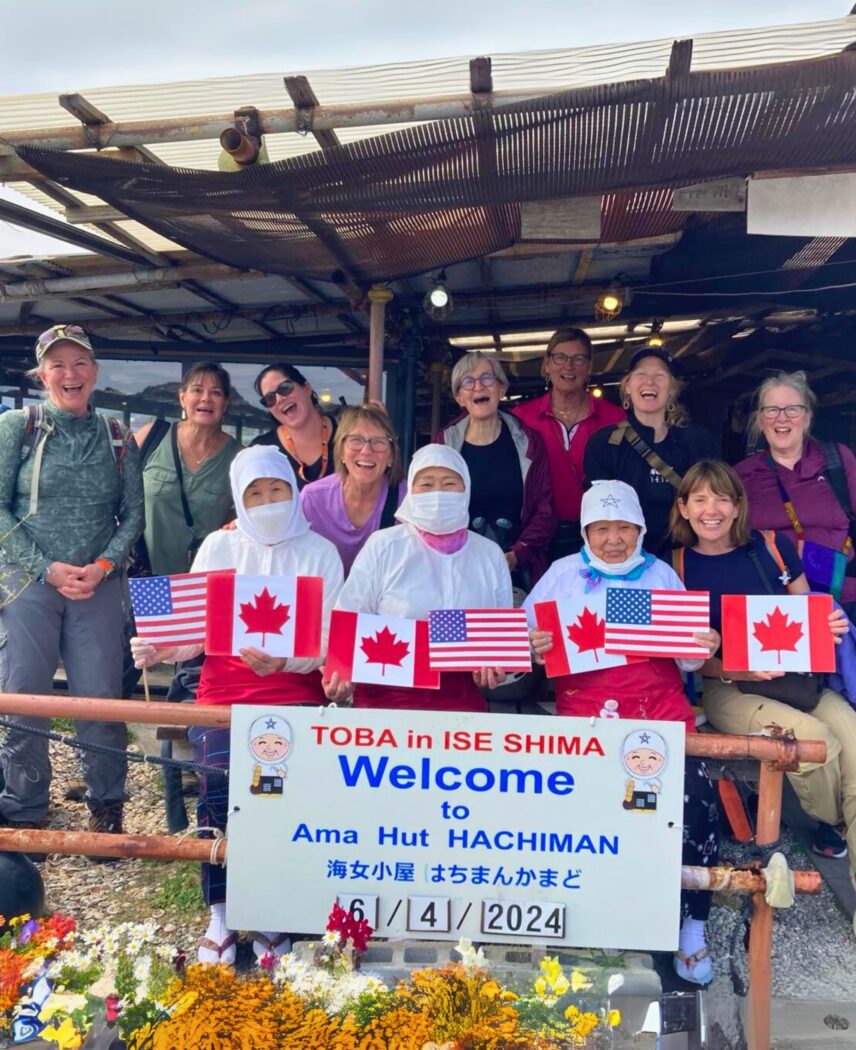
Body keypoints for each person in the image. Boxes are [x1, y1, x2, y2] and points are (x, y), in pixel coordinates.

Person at [131, 445, 344, 964]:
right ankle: (222, 911)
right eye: (255, 493)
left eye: (277, 490)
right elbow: (193, 634)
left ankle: (276, 911)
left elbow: (333, 641)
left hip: (297, 695)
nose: (267, 501)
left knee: (283, 800)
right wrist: (159, 648)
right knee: (221, 791)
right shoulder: (218, 548)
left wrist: (288, 664)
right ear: (238, 498)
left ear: (294, 491)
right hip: (222, 693)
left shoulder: (321, 552)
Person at [524, 480, 721, 986]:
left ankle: (690, 925)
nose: (614, 539)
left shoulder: (659, 576)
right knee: (586, 813)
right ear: (586, 531)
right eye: (602, 529)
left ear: (640, 528)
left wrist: (703, 642)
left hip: (659, 711)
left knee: (696, 799)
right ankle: (602, 912)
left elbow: (690, 660)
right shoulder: (562, 576)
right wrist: (533, 645)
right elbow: (519, 653)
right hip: (586, 718)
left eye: (624, 528)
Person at [672, 459, 856, 870]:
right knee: (816, 741)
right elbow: (688, 661)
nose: (711, 510)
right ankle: (836, 820)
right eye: (699, 499)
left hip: (796, 679)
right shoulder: (676, 567)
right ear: (683, 508)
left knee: (855, 743)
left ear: (738, 506)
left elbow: (807, 610)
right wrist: (737, 668)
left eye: (721, 499)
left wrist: (827, 624)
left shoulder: (771, 545)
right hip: (729, 687)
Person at [0, 324, 143, 845]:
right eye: (57, 364)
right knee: (23, 697)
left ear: (95, 372)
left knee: (101, 698)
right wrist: (45, 567)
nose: (70, 373)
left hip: (98, 584)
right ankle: (25, 810)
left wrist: (103, 567)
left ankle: (107, 809)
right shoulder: (18, 425)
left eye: (79, 363)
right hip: (28, 581)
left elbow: (132, 515)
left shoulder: (118, 435)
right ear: (41, 374)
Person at [323, 444, 513, 712]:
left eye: (449, 483)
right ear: (411, 489)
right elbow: (349, 617)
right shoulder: (385, 545)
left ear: (466, 489)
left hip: (459, 700)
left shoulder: (489, 555)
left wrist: (494, 666)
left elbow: (499, 639)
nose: (437, 494)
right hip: (384, 699)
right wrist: (340, 674)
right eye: (426, 484)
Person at [736, 371, 856, 616]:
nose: (782, 418)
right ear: (760, 420)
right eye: (772, 410)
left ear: (808, 417)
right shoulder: (742, 475)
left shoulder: (838, 460)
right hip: (773, 603)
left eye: (792, 409)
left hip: (843, 599)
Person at [584, 346, 718, 557]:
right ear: (627, 386)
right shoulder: (604, 444)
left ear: (672, 389)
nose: (650, 382)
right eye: (641, 374)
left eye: (660, 375)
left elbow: (713, 504)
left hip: (686, 561)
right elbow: (599, 515)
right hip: (626, 561)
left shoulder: (699, 443)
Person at [436, 352, 556, 585]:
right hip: (458, 569)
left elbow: (545, 509)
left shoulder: (529, 442)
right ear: (459, 397)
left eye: (487, 379)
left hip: (518, 570)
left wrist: (516, 555)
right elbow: (434, 506)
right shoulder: (444, 444)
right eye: (468, 382)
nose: (478, 387)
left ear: (501, 389)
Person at [513, 327, 624, 561]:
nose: (569, 366)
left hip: (598, 539)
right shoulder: (520, 419)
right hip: (536, 541)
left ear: (590, 366)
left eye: (578, 358)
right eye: (560, 357)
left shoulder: (616, 419)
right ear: (546, 364)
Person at [136, 362, 240, 577]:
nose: (206, 398)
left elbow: (243, 519)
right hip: (147, 575)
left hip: (205, 581)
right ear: (182, 398)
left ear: (225, 404)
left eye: (216, 393)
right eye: (197, 390)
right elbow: (114, 492)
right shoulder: (151, 437)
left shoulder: (239, 457)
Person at [301, 403, 405, 575]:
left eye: (378, 442)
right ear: (341, 451)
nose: (366, 451)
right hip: (326, 597)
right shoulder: (312, 499)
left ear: (391, 455)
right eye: (356, 440)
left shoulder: (408, 500)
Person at [250, 362, 337, 488]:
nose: (279, 399)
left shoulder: (347, 435)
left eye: (285, 388)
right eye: (270, 398)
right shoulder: (261, 451)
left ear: (306, 388)